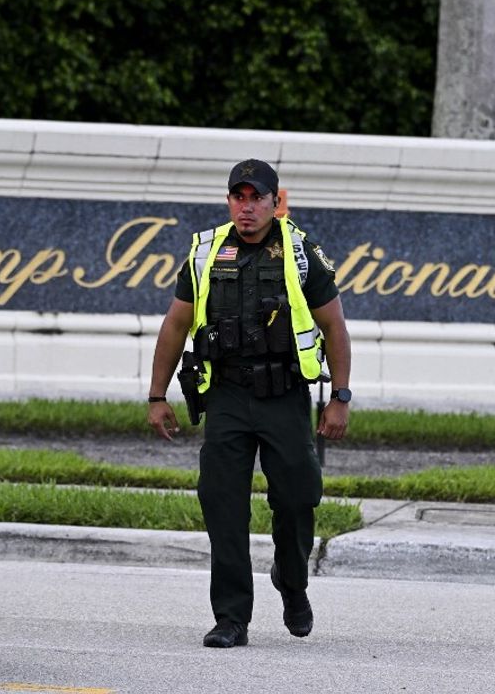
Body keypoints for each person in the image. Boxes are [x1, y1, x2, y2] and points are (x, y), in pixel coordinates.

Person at [147, 159, 352, 648]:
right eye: (238, 197)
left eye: (256, 197)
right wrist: (157, 395)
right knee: (223, 505)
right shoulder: (204, 252)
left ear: (274, 202)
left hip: (284, 395)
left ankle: (292, 579)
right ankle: (231, 618)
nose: (247, 207)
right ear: (229, 202)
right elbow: (175, 324)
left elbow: (335, 327)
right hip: (228, 397)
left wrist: (340, 397)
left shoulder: (301, 253)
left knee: (299, 496)